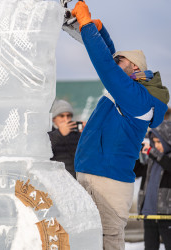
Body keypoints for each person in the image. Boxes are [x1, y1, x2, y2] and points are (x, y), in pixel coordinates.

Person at [71, 1, 169, 249]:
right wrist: (100, 30)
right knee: (86, 241)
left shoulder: (137, 99)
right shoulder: (125, 89)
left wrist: (86, 26)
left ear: (134, 68)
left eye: (121, 62)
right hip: (93, 175)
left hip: (108, 183)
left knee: (108, 242)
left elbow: (106, 65)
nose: (115, 64)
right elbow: (111, 56)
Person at [134, 121, 171, 250]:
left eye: (159, 142)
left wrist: (152, 152)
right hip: (148, 213)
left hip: (166, 214)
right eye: (154, 142)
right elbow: (137, 171)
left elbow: (168, 165)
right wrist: (134, 153)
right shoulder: (151, 160)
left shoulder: (164, 159)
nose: (156, 146)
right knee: (150, 247)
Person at [48, 99, 84, 179]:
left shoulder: (76, 133)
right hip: (59, 180)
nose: (66, 119)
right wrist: (59, 133)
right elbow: (43, 148)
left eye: (69, 116)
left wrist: (87, 133)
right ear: (53, 119)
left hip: (77, 178)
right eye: (62, 116)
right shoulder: (49, 133)